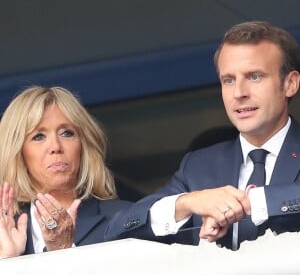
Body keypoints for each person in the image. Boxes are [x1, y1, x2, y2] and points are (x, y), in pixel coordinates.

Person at [105, 21, 300, 250]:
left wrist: (249, 203)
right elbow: (117, 231)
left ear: (290, 84)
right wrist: (189, 202)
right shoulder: (198, 166)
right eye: (228, 80)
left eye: (254, 76)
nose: (239, 93)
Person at [0, 86, 132, 258]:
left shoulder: (123, 220)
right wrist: (8, 262)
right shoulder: (6, 234)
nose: (55, 147)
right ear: (18, 153)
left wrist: (64, 252)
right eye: (38, 137)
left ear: (83, 147)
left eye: (67, 133)